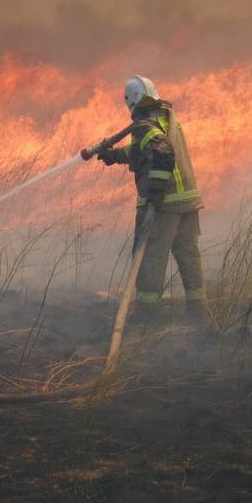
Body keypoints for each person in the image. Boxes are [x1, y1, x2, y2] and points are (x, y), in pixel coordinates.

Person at [97, 75, 205, 322]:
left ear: (131, 102)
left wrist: (155, 196)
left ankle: (147, 318)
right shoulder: (166, 118)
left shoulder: (144, 124)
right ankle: (198, 314)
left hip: (165, 205)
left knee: (150, 259)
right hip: (187, 201)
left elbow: (163, 156)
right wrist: (114, 156)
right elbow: (144, 151)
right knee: (188, 255)